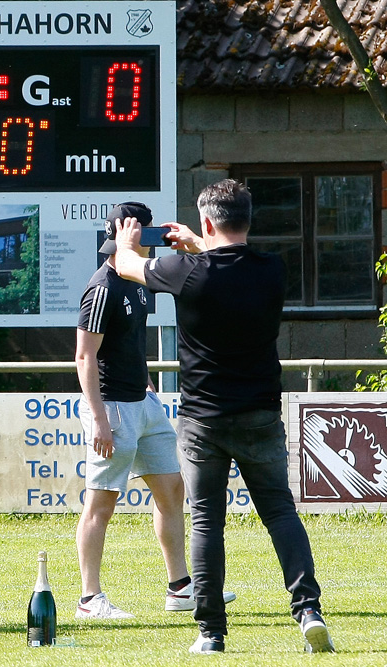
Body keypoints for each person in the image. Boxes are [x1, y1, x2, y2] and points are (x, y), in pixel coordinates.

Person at [113, 179, 333, 654]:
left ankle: (211, 632)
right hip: (259, 413)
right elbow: (227, 264)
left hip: (203, 420)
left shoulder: (186, 273)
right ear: (247, 220)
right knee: (279, 512)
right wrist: (199, 243)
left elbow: (129, 267)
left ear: (208, 221)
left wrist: (129, 241)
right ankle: (308, 610)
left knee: (207, 522)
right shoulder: (273, 270)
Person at [75, 202, 235, 620]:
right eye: (141, 231)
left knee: (171, 490)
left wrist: (146, 387)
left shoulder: (137, 280)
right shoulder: (103, 285)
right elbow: (84, 356)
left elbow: (132, 341)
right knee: (101, 503)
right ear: (120, 232)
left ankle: (180, 587)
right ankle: (90, 598)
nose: (149, 239)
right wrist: (98, 418)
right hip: (112, 407)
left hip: (142, 404)